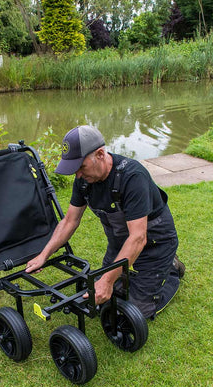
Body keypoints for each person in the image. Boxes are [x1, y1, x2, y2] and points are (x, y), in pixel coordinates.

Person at [25, 125, 185, 319]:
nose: (77, 175)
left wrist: (108, 281)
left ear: (100, 154)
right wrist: (44, 255)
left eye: (81, 167)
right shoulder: (83, 181)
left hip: (154, 244)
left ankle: (171, 269)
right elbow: (69, 221)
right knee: (101, 295)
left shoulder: (132, 177)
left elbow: (138, 237)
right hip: (119, 244)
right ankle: (141, 272)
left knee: (137, 310)